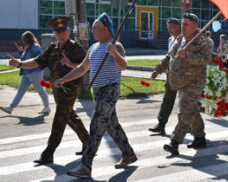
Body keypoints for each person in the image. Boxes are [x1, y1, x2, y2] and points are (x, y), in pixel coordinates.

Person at [54, 13, 137, 178]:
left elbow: (123, 66)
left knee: (96, 125)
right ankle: (128, 154)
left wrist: (114, 54)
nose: (92, 31)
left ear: (106, 29)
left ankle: (86, 165)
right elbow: (82, 68)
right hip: (98, 92)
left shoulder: (115, 46)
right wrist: (63, 79)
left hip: (110, 90)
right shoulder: (93, 48)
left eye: (95, 28)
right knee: (112, 126)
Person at [8, 16, 89, 165]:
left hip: (69, 90)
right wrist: (20, 64)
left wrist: (69, 63)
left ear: (69, 31)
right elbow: (37, 61)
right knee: (69, 117)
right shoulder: (52, 48)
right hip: (57, 91)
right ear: (54, 33)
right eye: (58, 32)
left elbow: (84, 68)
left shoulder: (75, 48)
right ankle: (88, 142)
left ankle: (48, 153)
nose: (61, 34)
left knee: (59, 119)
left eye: (63, 31)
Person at [152, 13, 213, 155]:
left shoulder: (204, 41)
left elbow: (206, 59)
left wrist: (188, 55)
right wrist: (158, 69)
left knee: (184, 111)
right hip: (180, 81)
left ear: (194, 26)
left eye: (186, 24)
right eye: (182, 23)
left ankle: (174, 143)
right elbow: (169, 57)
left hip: (194, 82)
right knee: (191, 111)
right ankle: (200, 137)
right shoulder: (180, 39)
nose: (182, 26)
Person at [1, 32, 50, 115]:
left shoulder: (35, 47)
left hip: (35, 73)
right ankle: (11, 108)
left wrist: (22, 60)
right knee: (20, 91)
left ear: (27, 39)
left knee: (40, 90)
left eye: (23, 39)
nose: (22, 41)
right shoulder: (27, 48)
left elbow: (38, 60)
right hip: (26, 73)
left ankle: (47, 107)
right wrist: (21, 52)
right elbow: (26, 58)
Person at [149, 18, 180, 135]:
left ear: (178, 26)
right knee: (167, 99)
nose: (169, 30)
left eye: (171, 27)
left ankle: (190, 126)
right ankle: (161, 125)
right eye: (168, 27)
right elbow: (169, 56)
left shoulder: (184, 39)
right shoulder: (170, 39)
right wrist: (158, 70)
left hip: (183, 75)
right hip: (171, 74)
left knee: (186, 102)